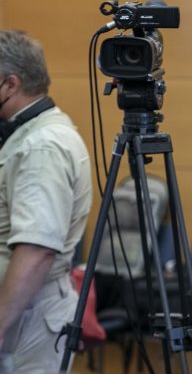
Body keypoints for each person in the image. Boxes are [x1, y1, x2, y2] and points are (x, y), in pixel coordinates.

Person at [0, 30, 92, 373]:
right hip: (22, 316)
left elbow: (37, 250)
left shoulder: (41, 146)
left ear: (10, 85)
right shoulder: (31, 134)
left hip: (23, 323)